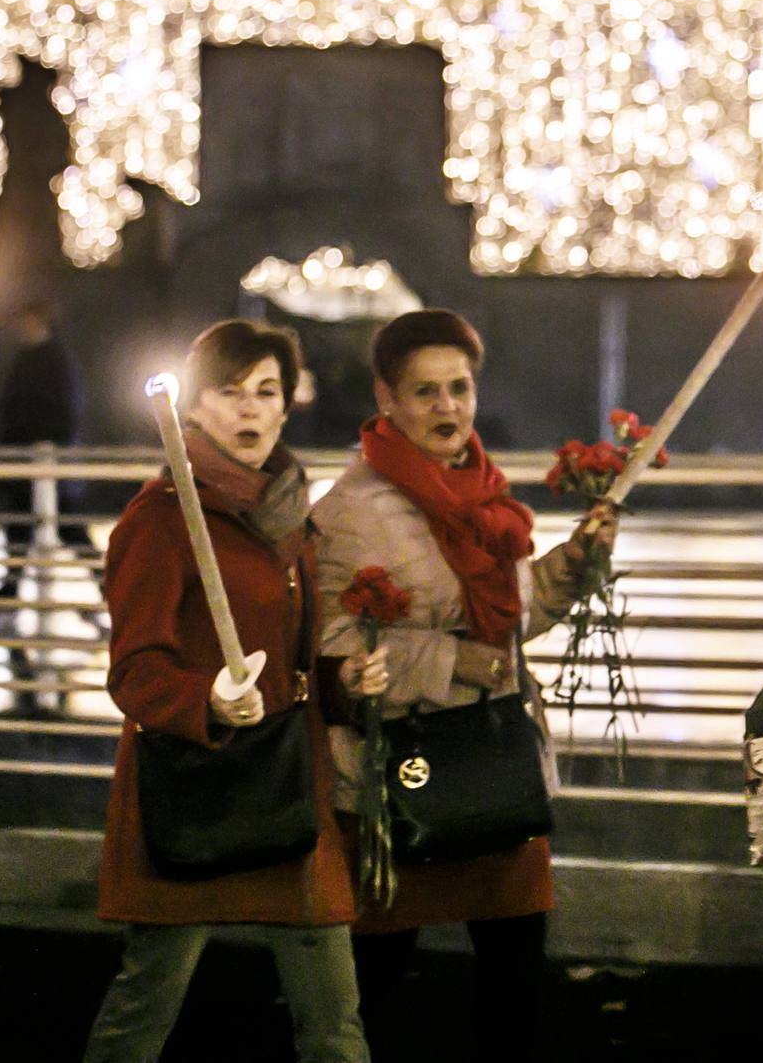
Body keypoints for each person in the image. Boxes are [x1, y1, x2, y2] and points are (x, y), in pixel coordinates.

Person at [310, 309, 613, 1056]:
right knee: (377, 975)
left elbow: (510, 620)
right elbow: (334, 651)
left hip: (495, 757)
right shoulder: (347, 513)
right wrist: (451, 662)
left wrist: (569, 570)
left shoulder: (486, 496)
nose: (448, 408)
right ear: (386, 399)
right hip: (401, 770)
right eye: (425, 392)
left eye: (459, 388)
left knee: (515, 974)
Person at [82, 320, 381, 1063]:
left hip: (287, 782)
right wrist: (206, 700)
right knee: (145, 1009)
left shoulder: (286, 516)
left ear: (288, 407)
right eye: (229, 391)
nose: (250, 409)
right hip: (200, 789)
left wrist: (344, 684)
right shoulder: (160, 521)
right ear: (193, 410)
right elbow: (133, 670)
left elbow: (295, 653)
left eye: (266, 391)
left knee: (335, 1018)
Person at [0, 298, 99, 713]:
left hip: (45, 463)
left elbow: (55, 410)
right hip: (30, 463)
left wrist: (47, 451)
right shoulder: (37, 359)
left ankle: (109, 588)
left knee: (65, 529)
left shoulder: (51, 361)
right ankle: (9, 596)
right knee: (26, 532)